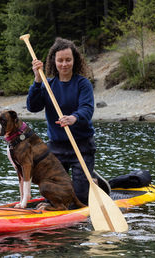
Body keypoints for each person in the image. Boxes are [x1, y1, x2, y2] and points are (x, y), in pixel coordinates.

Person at [26, 37, 110, 205]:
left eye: (68, 60)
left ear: (74, 60)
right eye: (60, 60)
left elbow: (87, 109)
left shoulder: (83, 84)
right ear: (53, 61)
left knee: (80, 198)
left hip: (82, 146)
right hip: (57, 147)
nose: (64, 64)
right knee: (54, 195)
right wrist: (37, 80)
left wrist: (74, 118)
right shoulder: (47, 86)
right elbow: (32, 107)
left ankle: (95, 182)